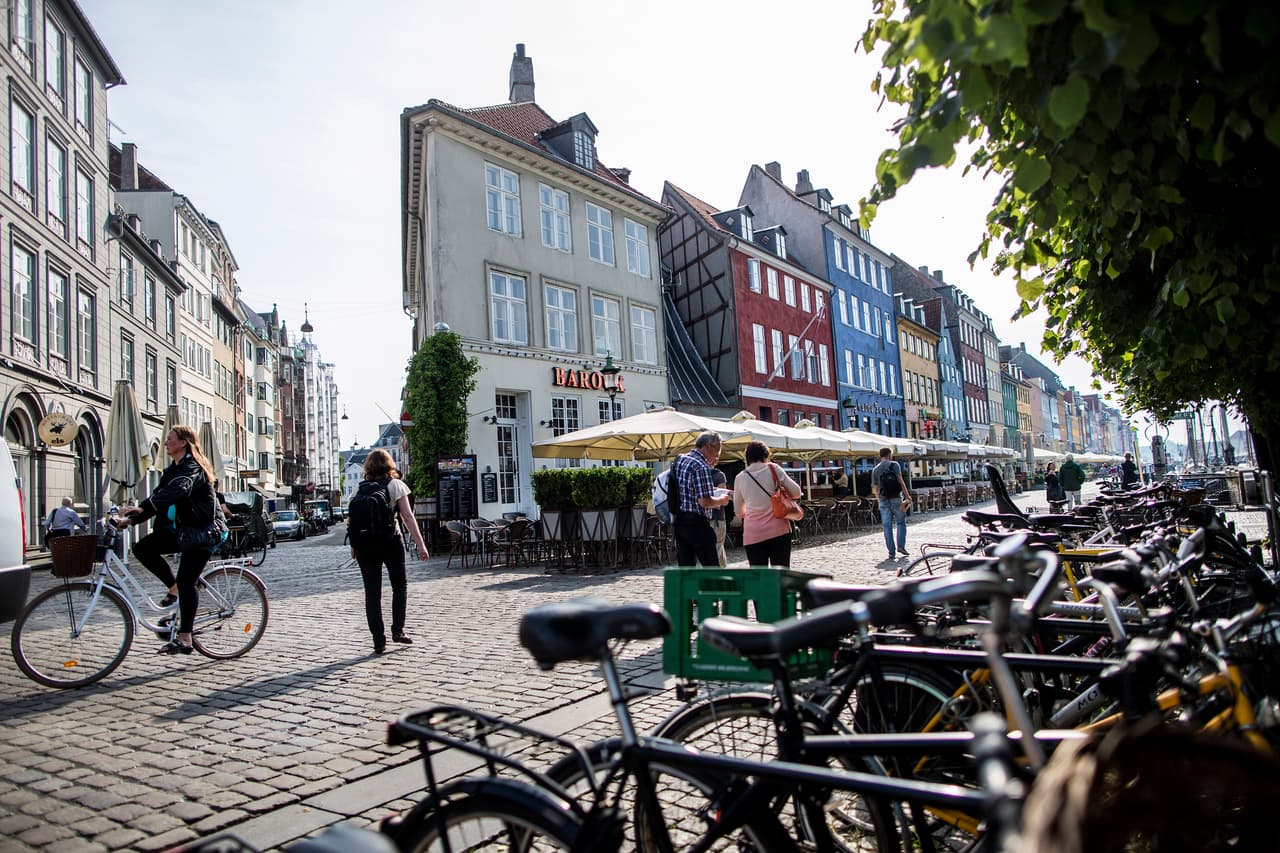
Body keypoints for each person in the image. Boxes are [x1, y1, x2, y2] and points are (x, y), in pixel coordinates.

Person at [116, 425, 221, 655]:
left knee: (187, 581)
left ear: (183, 442)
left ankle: (185, 637)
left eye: (170, 439)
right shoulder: (172, 470)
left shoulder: (192, 468)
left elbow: (177, 491)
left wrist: (143, 508)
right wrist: (133, 519)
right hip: (184, 532)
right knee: (142, 548)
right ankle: (173, 588)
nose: (166, 443)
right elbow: (158, 498)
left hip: (202, 532)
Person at [349, 448, 429, 655]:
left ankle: (378, 641)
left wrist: (354, 547)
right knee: (399, 586)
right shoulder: (395, 485)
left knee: (372, 593)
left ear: (367, 467)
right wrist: (421, 545)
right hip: (390, 541)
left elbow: (353, 521)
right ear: (389, 465)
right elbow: (408, 517)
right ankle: (397, 631)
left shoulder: (359, 490)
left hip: (365, 546)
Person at [733, 440, 803, 568]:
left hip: (753, 534)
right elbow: (796, 492)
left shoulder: (740, 478)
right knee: (780, 573)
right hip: (779, 530)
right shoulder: (773, 469)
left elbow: (739, 512)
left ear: (747, 457)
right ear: (766, 455)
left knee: (759, 577)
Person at [671, 432, 731, 568]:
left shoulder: (680, 460)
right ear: (708, 446)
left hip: (679, 522)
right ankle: (713, 589)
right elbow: (704, 501)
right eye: (718, 450)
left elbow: (687, 489)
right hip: (697, 524)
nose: (718, 455)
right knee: (712, 569)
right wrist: (721, 500)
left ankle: (688, 590)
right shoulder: (701, 466)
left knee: (686, 571)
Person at [871, 447, 912, 559]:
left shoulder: (875, 469)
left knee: (887, 526)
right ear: (889, 455)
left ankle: (891, 552)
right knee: (900, 523)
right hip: (896, 498)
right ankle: (901, 546)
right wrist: (907, 495)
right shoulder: (895, 465)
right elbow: (900, 480)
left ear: (880, 456)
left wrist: (879, 501)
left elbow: (875, 488)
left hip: (883, 500)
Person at [710, 469, 729, 567]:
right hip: (717, 518)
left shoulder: (697, 474)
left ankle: (723, 573)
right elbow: (724, 500)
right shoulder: (719, 475)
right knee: (716, 548)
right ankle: (713, 576)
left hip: (703, 517)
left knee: (718, 548)